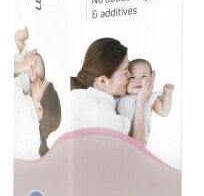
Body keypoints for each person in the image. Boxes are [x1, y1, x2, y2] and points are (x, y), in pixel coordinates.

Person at [69, 38, 154, 144]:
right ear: (103, 81)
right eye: (124, 72)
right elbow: (137, 148)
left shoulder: (78, 95)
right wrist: (141, 102)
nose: (130, 75)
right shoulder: (103, 114)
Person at [14, 30, 61, 159]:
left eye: (41, 81)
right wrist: (22, 49)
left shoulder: (24, 111)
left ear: (40, 109)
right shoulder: (35, 141)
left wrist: (23, 64)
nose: (37, 80)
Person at [116, 58, 174, 145]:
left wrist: (168, 94)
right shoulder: (120, 95)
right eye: (132, 77)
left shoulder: (149, 98)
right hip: (118, 141)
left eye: (143, 76)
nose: (137, 81)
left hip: (139, 144)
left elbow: (164, 112)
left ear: (151, 78)